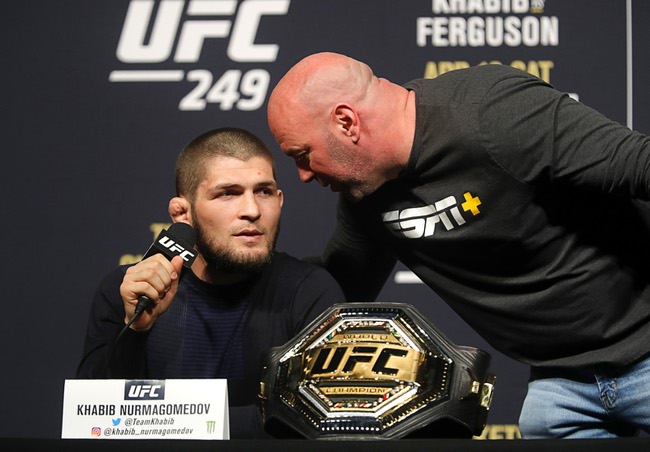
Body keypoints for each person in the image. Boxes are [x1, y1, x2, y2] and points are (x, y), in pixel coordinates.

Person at [267, 52, 650, 439]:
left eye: (302, 155)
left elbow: (641, 166)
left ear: (346, 122)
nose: (302, 175)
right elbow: (333, 294)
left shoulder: (493, 112)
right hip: (562, 382)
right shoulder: (365, 199)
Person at [77, 127, 344, 438]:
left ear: (279, 200)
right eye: (227, 193)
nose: (252, 210)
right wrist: (136, 330)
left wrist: (174, 423)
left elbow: (323, 423)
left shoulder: (310, 291)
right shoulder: (128, 291)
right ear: (182, 213)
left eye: (264, 191)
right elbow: (92, 425)